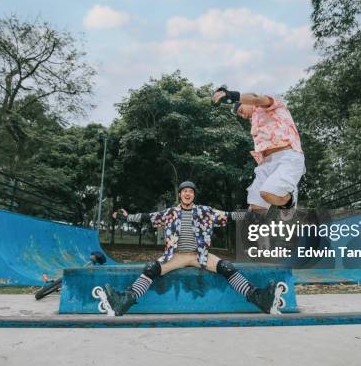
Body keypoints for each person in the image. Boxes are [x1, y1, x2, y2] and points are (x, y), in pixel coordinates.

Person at [94, 181, 287, 316]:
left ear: (194, 195)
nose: (187, 194)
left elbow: (228, 216)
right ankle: (123, 301)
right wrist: (127, 217)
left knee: (227, 267)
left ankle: (260, 298)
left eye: (191, 191)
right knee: (150, 269)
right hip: (176, 256)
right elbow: (149, 217)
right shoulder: (171, 213)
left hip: (199, 255)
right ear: (180, 194)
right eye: (184, 191)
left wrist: (249, 215)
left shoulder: (205, 211)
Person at [212, 88, 305, 223]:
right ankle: (265, 241)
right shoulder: (255, 121)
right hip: (266, 163)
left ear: (245, 102)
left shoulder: (272, 104)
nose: (242, 116)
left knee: (267, 193)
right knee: (255, 211)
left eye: (241, 111)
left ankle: (289, 198)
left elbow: (256, 98)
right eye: (240, 115)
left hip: (287, 157)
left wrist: (231, 96)